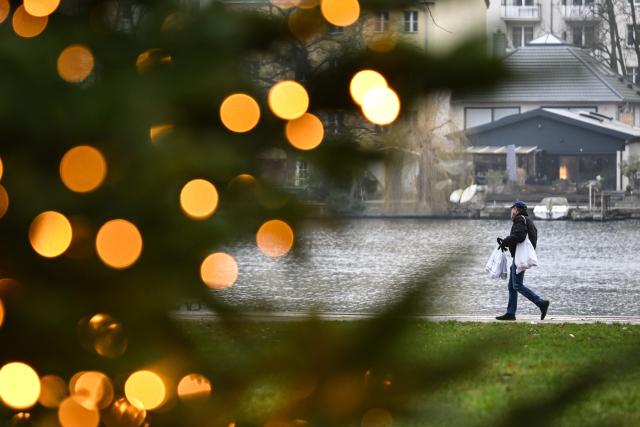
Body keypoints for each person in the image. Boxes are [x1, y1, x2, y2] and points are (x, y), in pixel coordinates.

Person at [495, 200, 550, 321]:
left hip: (520, 258)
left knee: (517, 285)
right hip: (519, 257)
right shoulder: (526, 220)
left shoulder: (520, 219)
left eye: (512, 208)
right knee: (512, 286)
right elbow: (522, 239)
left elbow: (519, 236)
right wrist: (507, 244)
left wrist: (506, 240)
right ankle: (510, 313)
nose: (511, 211)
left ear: (517, 209)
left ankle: (541, 303)